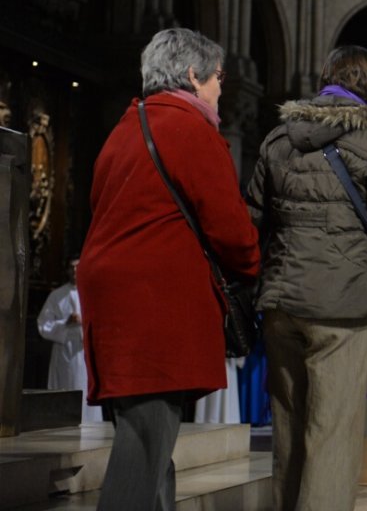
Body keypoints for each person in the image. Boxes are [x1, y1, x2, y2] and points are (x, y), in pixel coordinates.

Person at [244, 45, 367, 511]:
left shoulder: (279, 138)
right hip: (340, 309)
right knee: (331, 437)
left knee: (289, 433)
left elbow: (253, 218)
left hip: (280, 305)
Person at [76, 28, 260, 511]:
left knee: (149, 443)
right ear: (194, 75)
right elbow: (232, 232)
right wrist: (254, 265)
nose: (222, 89)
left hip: (112, 299)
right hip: (154, 305)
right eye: (219, 77)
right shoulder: (190, 130)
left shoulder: (124, 128)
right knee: (143, 448)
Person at [36, 257, 103, 422]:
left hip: (85, 350)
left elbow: (103, 320)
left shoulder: (93, 292)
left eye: (78, 268)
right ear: (66, 271)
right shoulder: (57, 295)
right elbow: (43, 324)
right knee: (67, 385)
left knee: (86, 388)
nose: (74, 271)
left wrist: (85, 323)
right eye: (71, 268)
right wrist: (65, 322)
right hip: (65, 351)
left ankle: (89, 423)